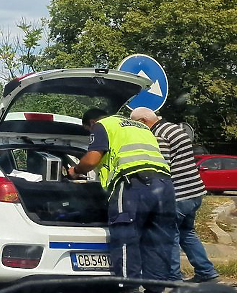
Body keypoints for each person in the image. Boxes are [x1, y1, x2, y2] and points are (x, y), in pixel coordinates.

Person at [67, 108, 177, 291]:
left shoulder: (103, 125)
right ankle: (156, 287)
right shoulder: (141, 127)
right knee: (158, 239)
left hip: (133, 184)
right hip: (164, 185)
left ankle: (128, 287)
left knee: (126, 237)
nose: (91, 134)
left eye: (88, 131)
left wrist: (75, 171)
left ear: (92, 123)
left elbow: (92, 160)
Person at [130, 107, 219, 283]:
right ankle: (206, 271)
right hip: (195, 192)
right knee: (187, 233)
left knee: (169, 236)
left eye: (135, 125)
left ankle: (173, 276)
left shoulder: (159, 135)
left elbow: (161, 167)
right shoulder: (174, 128)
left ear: (142, 122)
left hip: (178, 194)